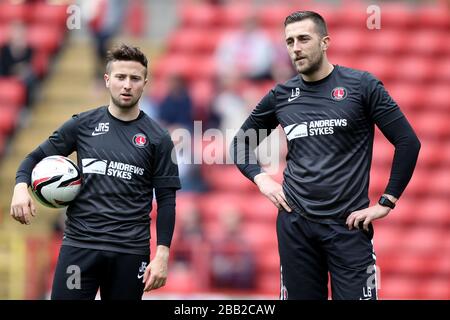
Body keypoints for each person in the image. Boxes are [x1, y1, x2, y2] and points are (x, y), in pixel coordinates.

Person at [231, 11, 421, 300]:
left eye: (304, 39)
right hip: (295, 226)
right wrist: (262, 179)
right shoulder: (281, 95)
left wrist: (387, 201)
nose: (296, 47)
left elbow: (408, 142)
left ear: (325, 42)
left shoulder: (361, 86)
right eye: (290, 41)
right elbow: (239, 144)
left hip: (348, 226)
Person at [10, 44, 181, 300]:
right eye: (120, 77)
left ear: (145, 82)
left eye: (134, 78)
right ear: (107, 79)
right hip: (80, 247)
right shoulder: (82, 125)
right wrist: (21, 187)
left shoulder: (159, 138)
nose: (127, 85)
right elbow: (33, 158)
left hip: (129, 252)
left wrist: (163, 254)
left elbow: (167, 201)